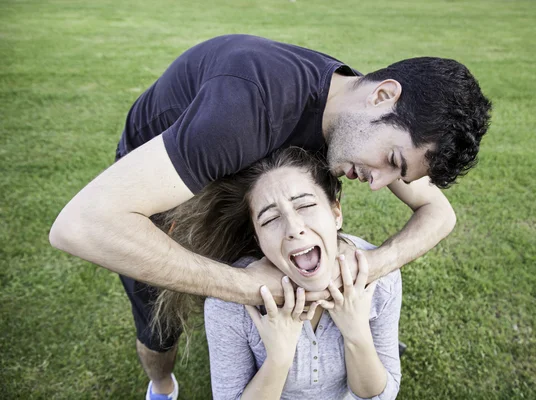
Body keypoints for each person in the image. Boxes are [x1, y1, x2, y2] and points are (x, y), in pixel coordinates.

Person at [48, 34, 491, 398]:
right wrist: (247, 287)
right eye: (391, 159)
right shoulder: (247, 106)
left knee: (291, 255)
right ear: (382, 94)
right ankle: (161, 387)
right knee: (160, 325)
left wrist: (366, 269)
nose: (378, 184)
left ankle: (344, 350)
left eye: (399, 172)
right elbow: (82, 225)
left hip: (262, 186)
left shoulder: (354, 112)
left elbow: (438, 212)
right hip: (164, 194)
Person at [153, 147, 402, 399]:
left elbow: (381, 394)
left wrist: (357, 333)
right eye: (270, 219)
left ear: (336, 213)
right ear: (258, 239)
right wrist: (279, 359)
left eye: (304, 205)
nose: (294, 228)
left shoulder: (379, 278)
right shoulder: (230, 303)